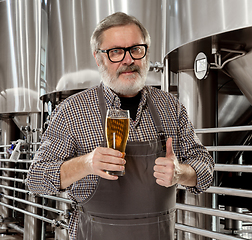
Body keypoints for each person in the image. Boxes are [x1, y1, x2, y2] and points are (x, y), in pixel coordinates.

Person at [26, 12, 214, 240]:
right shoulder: (72, 111)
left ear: (146, 53)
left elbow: (206, 169)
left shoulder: (170, 108)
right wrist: (85, 164)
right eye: (115, 52)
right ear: (98, 58)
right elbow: (35, 180)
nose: (128, 60)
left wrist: (181, 172)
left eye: (136, 49)